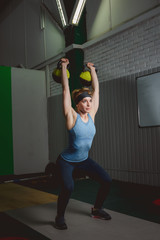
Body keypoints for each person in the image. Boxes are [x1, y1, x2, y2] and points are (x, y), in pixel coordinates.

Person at [54, 58, 112, 230]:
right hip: (67, 161)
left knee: (106, 180)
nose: (89, 104)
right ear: (77, 104)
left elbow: (97, 91)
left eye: (90, 101)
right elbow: (65, 90)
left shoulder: (92, 114)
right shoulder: (72, 116)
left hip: (84, 160)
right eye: (85, 101)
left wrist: (92, 69)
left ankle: (97, 209)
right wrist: (64, 67)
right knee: (68, 187)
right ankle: (60, 216)